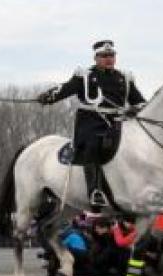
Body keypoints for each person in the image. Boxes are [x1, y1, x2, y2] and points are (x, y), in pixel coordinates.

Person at [38, 40, 145, 211]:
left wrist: (136, 109)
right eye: (104, 56)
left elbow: (139, 101)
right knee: (93, 144)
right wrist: (49, 96)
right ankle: (95, 190)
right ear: (96, 58)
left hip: (118, 123)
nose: (109, 59)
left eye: (111, 55)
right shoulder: (86, 76)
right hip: (91, 123)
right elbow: (66, 89)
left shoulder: (123, 78)